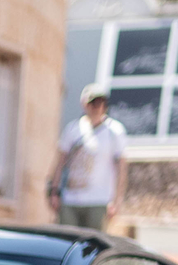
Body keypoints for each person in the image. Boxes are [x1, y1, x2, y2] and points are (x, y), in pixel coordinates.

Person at [46, 83, 127, 231]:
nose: (98, 106)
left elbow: (121, 167)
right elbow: (60, 162)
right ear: (85, 104)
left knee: (93, 243)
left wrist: (117, 201)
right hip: (71, 198)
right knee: (67, 238)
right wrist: (54, 191)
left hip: (98, 200)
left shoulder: (115, 131)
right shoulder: (73, 129)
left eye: (101, 102)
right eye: (93, 102)